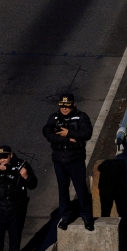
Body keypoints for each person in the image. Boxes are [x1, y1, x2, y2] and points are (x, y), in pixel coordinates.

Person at [42, 93, 94, 231]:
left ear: (73, 105)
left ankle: (87, 216)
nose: (64, 108)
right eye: (62, 106)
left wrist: (69, 132)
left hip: (75, 159)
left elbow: (87, 133)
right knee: (63, 190)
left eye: (67, 106)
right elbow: (48, 134)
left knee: (81, 189)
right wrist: (66, 139)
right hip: (59, 160)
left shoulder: (82, 117)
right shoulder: (54, 117)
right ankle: (65, 217)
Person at [0, 145, 37, 251]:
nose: (2, 160)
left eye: (5, 157)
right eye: (0, 157)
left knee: (14, 241)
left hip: (16, 211)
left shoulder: (22, 165)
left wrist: (26, 177)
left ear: (11, 155)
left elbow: (33, 185)